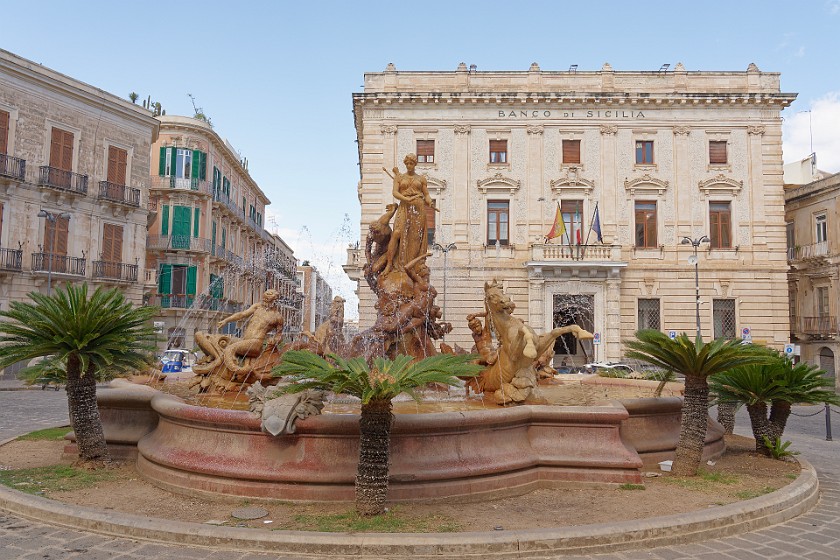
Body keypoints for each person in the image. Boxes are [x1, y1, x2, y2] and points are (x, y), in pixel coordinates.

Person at [381, 153, 433, 277]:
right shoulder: (399, 177)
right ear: (405, 164)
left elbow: (426, 194)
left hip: (418, 208)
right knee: (397, 233)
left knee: (415, 238)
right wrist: (406, 199)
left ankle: (412, 266)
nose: (409, 165)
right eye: (407, 163)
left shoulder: (421, 179)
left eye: (412, 163)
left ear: (415, 164)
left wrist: (429, 200)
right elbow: (395, 192)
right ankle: (389, 264)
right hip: (404, 207)